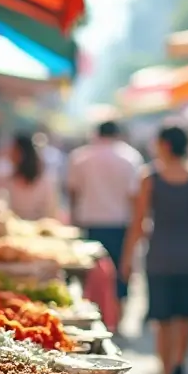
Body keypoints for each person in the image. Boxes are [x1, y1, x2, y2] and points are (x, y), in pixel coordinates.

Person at [121, 125, 188, 374]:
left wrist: (126, 258)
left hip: (159, 255)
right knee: (185, 316)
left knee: (162, 319)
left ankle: (167, 373)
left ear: (166, 145)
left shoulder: (150, 176)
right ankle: (180, 365)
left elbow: (138, 221)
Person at [68, 121, 143, 301]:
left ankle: (97, 314)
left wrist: (74, 221)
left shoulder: (80, 157)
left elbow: (73, 193)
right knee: (119, 279)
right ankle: (116, 321)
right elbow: (135, 198)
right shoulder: (130, 157)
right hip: (120, 225)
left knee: (91, 278)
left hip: (89, 224)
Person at [2, 134, 60, 221]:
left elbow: (50, 213)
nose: (10, 154)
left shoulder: (44, 182)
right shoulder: (7, 180)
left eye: (14, 151)